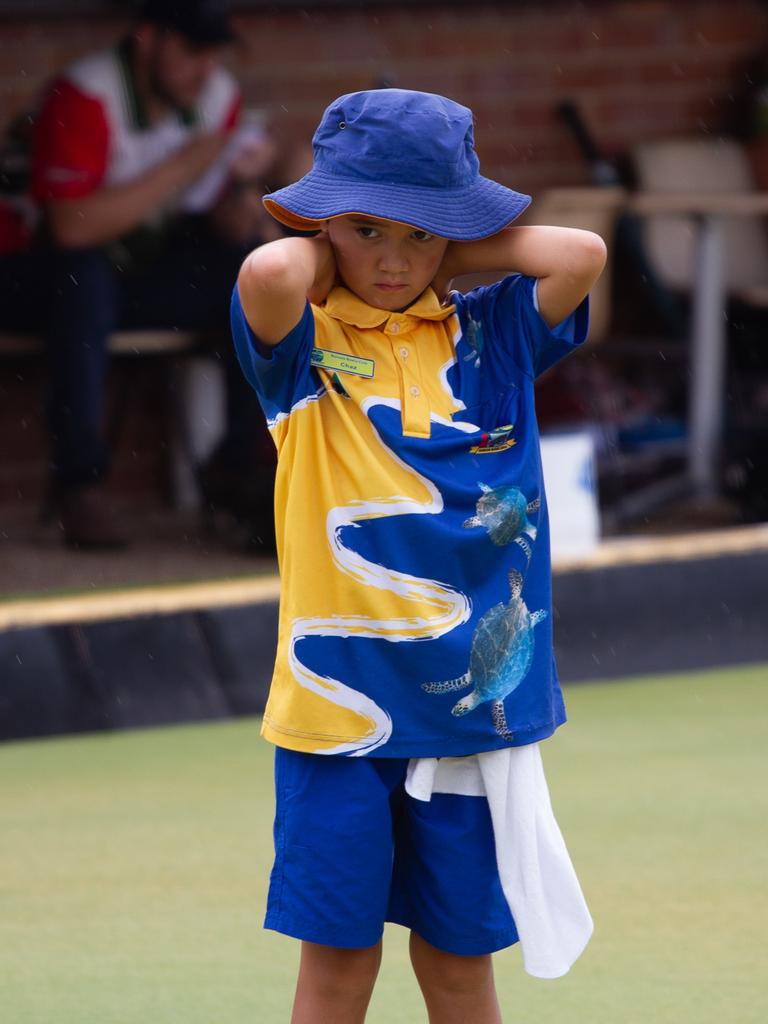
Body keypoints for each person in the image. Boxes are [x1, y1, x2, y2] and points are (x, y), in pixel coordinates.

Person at [231, 89, 606, 1023]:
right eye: (366, 232)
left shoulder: (496, 333)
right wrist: (343, 233)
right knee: (337, 969)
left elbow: (582, 254)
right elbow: (271, 269)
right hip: (338, 719)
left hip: (473, 718)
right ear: (325, 228)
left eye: (421, 236)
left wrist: (440, 237)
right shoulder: (306, 350)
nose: (393, 260)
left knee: (456, 968)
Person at [29, 0, 277, 548]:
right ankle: (81, 485)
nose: (205, 69)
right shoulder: (85, 93)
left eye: (214, 53)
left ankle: (242, 470)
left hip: (136, 275)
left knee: (253, 276)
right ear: (147, 39)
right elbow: (69, 227)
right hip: (32, 275)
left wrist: (245, 203)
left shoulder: (217, 97)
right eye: (191, 51)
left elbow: (214, 213)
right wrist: (191, 161)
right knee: (81, 277)